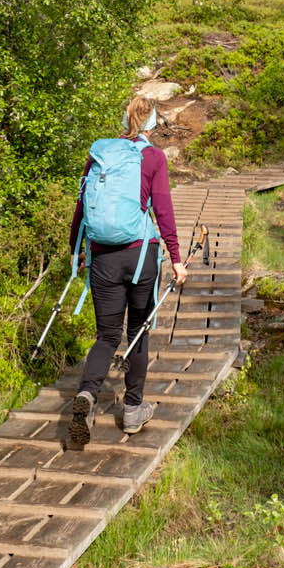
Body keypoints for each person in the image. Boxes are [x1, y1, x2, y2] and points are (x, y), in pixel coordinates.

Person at [66, 94, 188, 446]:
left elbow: (81, 206)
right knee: (137, 331)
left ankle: (87, 397)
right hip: (140, 258)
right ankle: (133, 411)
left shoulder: (100, 154)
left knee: (106, 336)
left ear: (124, 120)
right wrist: (176, 258)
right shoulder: (152, 157)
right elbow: (163, 211)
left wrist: (76, 251)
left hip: (102, 256)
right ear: (152, 123)